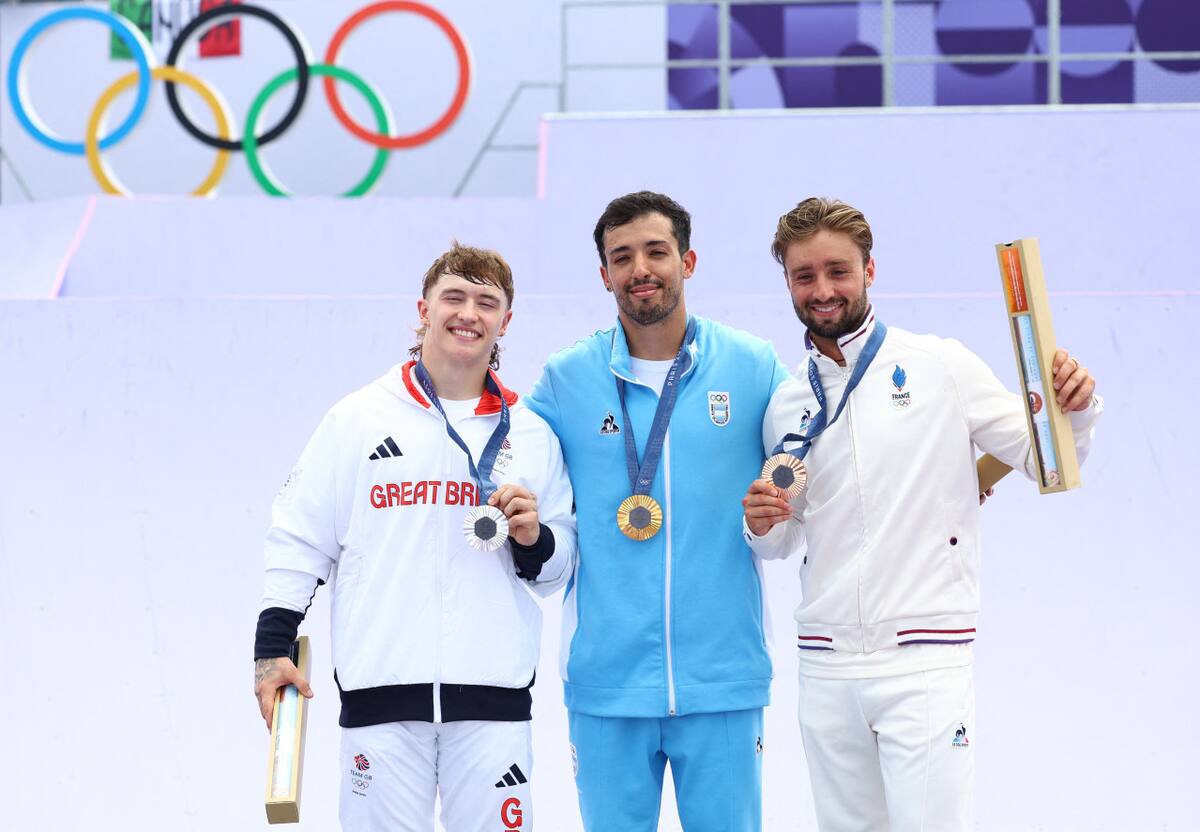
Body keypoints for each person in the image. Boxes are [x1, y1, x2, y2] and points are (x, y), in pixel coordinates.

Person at [741, 197, 1102, 831]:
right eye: (805, 275)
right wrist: (763, 523)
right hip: (826, 666)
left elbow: (1043, 457)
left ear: (870, 271)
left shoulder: (940, 364)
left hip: (924, 664)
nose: (822, 290)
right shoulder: (787, 399)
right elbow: (786, 539)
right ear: (789, 282)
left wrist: (1076, 406)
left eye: (838, 270)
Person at [252, 243, 577, 832]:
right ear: (422, 309)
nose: (468, 313)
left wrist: (533, 539)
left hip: (492, 705)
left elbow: (557, 571)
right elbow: (299, 537)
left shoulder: (531, 432)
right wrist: (271, 650)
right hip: (380, 700)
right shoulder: (357, 419)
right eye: (453, 296)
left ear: (507, 320)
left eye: (487, 301)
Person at [526, 191, 791, 831]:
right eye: (623, 257)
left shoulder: (753, 367)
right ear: (605, 275)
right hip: (606, 686)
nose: (640, 268)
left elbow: (823, 451)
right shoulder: (565, 381)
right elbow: (498, 455)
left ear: (688, 260)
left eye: (656, 251)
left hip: (722, 680)